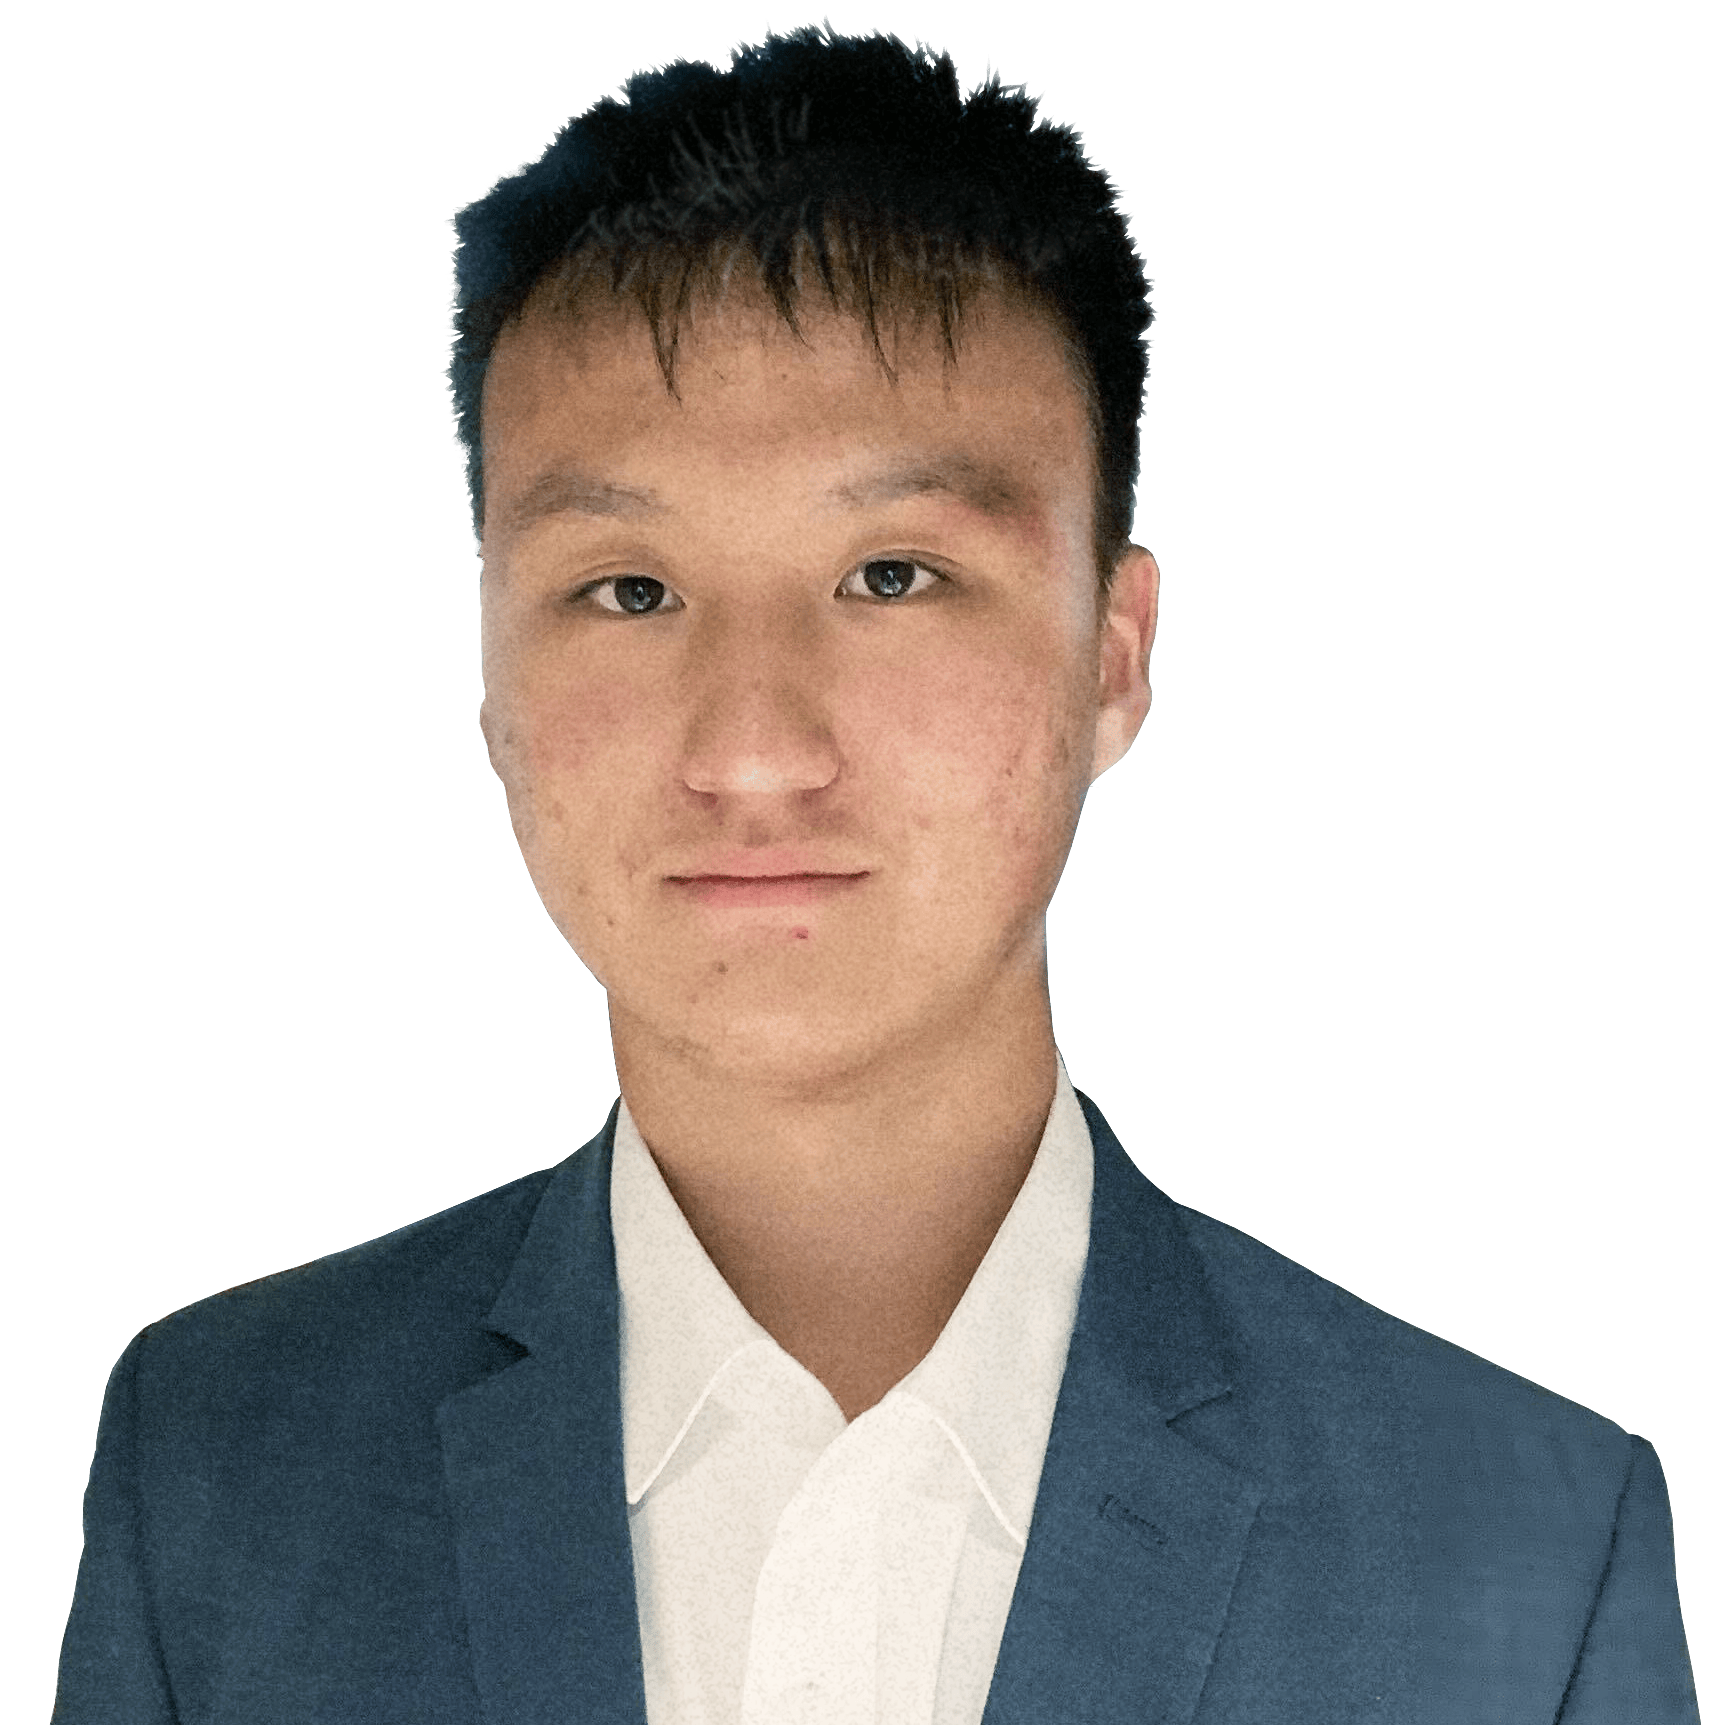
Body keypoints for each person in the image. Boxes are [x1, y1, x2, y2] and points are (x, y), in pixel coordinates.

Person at [54, 24, 1698, 1724]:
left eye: (893, 574)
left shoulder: (1520, 1547)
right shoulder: (223, 1470)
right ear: (490, 676)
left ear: (1115, 655)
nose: (754, 751)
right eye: (628, 590)